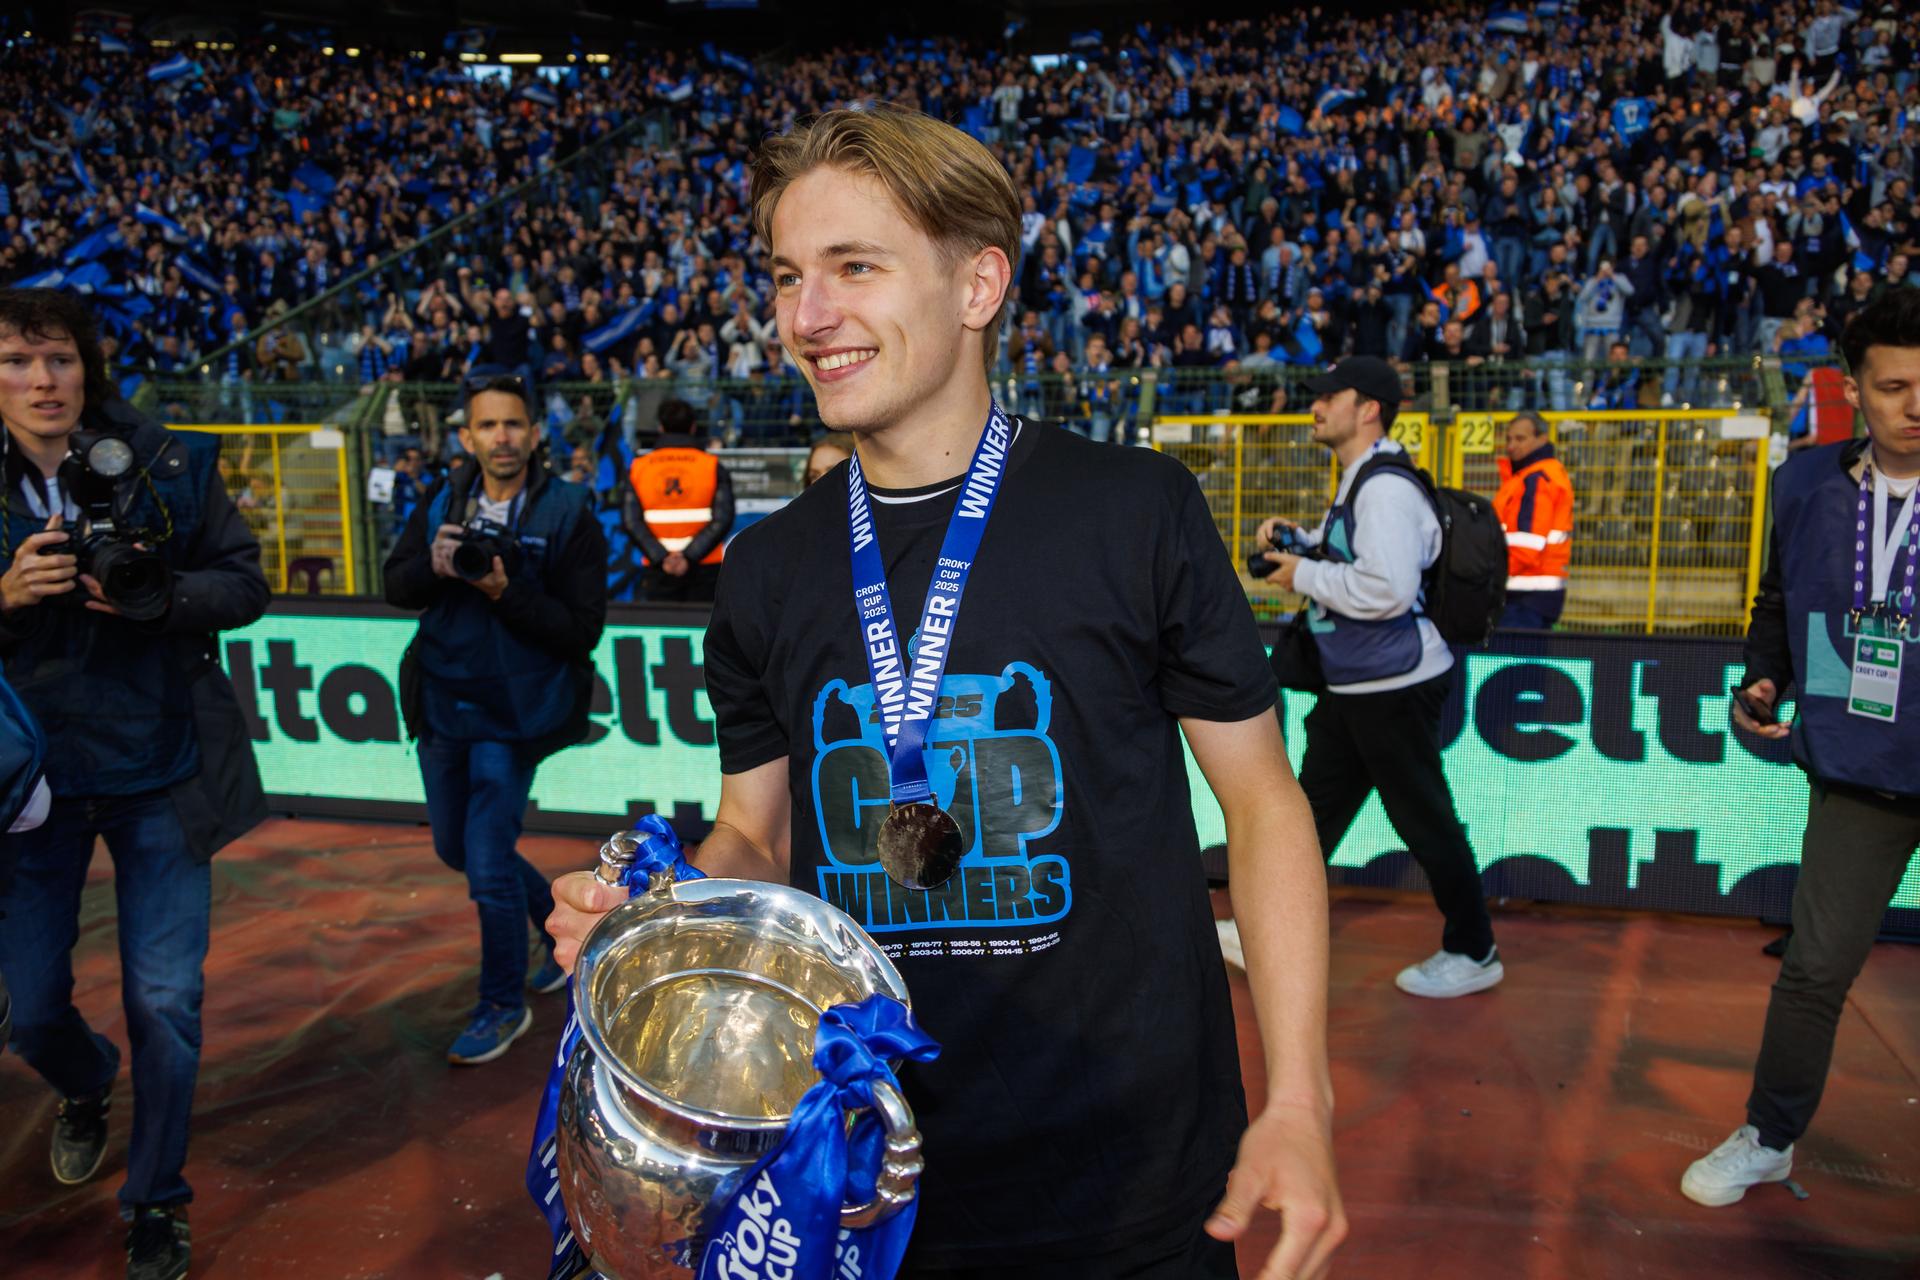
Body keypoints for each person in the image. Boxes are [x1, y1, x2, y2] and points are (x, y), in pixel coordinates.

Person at [548, 104, 1345, 1279]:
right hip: (862, 1179)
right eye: (785, 277)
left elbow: (1266, 803)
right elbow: (756, 834)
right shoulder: (766, 567)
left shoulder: (1136, 510)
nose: (807, 319)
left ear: (978, 285)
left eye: (853, 268)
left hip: (1132, 1181)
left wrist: (1302, 1098)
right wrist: (654, 921)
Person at [0, 288, 270, 1280]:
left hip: (161, 770)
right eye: (18, 362)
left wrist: (154, 598)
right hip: (32, 784)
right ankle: (84, 1080)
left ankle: (156, 1198)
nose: (42, 381)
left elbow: (245, 582)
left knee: (167, 998)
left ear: (87, 368)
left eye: (60, 360)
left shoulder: (163, 458)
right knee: (30, 1007)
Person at [1684, 288, 1920, 1207]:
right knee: (1816, 969)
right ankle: (1770, 1135)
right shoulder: (1809, 482)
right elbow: (1779, 601)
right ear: (1854, 391)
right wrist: (1763, 677)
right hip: (1859, 769)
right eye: (1894, 386)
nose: (1916, 404)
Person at [1255, 356, 1503, 999]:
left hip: (1390, 686)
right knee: (1311, 814)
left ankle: (1474, 949)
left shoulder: (1384, 488)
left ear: (1368, 408)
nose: (1316, 406)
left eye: (1329, 396)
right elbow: (1359, 560)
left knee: (1423, 819)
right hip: (1360, 684)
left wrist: (1299, 576)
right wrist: (1301, 542)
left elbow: (1386, 589)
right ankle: (1266, 928)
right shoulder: (1364, 478)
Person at [383, 375, 608, 1066]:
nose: (502, 438)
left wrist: (507, 590)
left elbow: (580, 631)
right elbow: (397, 588)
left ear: (536, 433)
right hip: (444, 702)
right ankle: (554, 925)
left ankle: (500, 1004)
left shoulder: (569, 509)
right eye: (489, 427)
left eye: (515, 425)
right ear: (467, 437)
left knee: (484, 863)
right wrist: (438, 564)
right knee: (455, 848)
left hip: (516, 713)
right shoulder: (441, 499)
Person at [621, 398, 734, 604]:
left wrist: (662, 557)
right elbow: (723, 518)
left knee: (662, 629)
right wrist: (688, 557)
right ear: (693, 427)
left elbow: (631, 521)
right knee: (705, 632)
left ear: (660, 428)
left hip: (658, 568)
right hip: (705, 568)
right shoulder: (711, 465)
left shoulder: (639, 467)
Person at [1494, 411, 1575, 629]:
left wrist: (1487, 576)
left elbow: (1526, 545)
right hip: (1533, 595)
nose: (1511, 446)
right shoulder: (1537, 475)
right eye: (1509, 439)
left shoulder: (1535, 479)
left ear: (1542, 438)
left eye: (1520, 439)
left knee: (1513, 660)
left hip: (1524, 597)